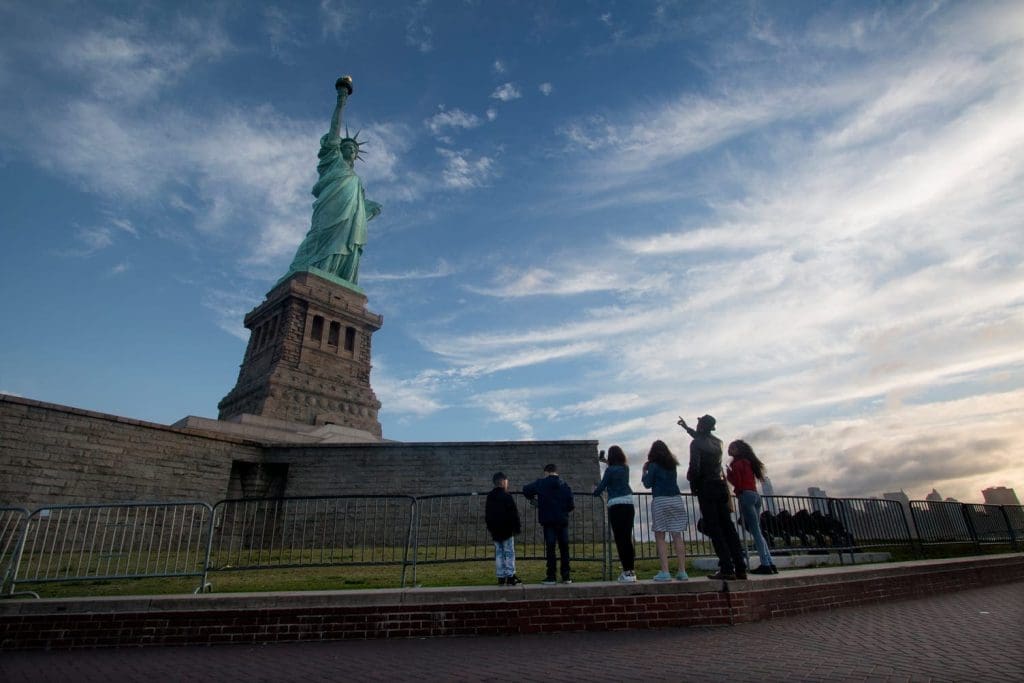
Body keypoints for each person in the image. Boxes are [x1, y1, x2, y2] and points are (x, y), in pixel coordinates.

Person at [285, 77, 382, 285]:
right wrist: (341, 102)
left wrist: (369, 207)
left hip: (349, 219)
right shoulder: (333, 161)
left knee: (347, 244)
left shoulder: (356, 180)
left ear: (357, 155)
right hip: (331, 208)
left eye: (355, 149)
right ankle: (312, 270)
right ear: (339, 149)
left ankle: (337, 276)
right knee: (319, 237)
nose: (352, 149)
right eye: (347, 146)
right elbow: (334, 131)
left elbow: (360, 208)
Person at [682, 415, 747, 580]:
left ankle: (726, 567)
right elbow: (701, 439)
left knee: (715, 528)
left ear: (702, 426)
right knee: (729, 528)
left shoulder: (696, 444)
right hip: (721, 487)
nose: (696, 426)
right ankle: (740, 567)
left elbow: (694, 468)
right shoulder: (718, 442)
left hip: (706, 487)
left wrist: (692, 481)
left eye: (698, 424)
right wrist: (686, 428)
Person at [726, 440, 778, 575]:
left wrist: (729, 475)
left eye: (732, 448)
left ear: (738, 449)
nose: (729, 450)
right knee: (758, 531)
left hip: (745, 496)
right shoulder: (748, 462)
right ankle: (770, 562)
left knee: (755, 531)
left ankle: (765, 564)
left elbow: (737, 482)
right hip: (755, 495)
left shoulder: (737, 464)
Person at [640, 440, 689, 581]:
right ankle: (682, 571)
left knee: (660, 536)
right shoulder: (672, 465)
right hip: (676, 499)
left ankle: (665, 571)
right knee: (677, 535)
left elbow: (648, 484)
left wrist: (644, 472)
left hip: (660, 500)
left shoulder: (654, 466)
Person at [523, 464, 575, 584]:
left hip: (548, 521)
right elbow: (571, 505)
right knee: (564, 549)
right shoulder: (564, 485)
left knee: (551, 548)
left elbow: (525, 490)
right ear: (556, 472)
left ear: (546, 472)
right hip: (562, 520)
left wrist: (535, 501)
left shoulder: (541, 483)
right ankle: (566, 576)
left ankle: (551, 576)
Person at [593, 446, 636, 583]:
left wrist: (595, 492)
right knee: (627, 538)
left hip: (616, 505)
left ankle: (626, 572)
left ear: (610, 457)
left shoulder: (610, 470)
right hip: (629, 504)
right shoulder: (625, 468)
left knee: (620, 539)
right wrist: (605, 461)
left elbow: (602, 486)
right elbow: (616, 467)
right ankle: (631, 571)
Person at [485, 472, 523, 586]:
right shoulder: (507, 496)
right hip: (507, 530)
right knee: (509, 552)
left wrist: (490, 528)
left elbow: (487, 514)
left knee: (499, 553)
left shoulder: (490, 496)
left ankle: (501, 577)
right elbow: (513, 514)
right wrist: (517, 528)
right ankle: (511, 576)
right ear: (503, 482)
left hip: (495, 530)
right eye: (506, 482)